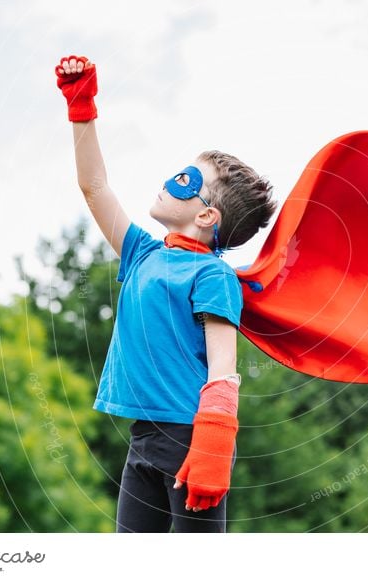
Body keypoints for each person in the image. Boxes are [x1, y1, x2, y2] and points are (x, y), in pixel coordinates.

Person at [54, 54, 278, 532]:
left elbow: (223, 366)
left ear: (205, 216)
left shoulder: (212, 276)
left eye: (187, 181)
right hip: (144, 438)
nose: (170, 181)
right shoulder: (142, 253)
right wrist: (82, 107)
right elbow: (94, 187)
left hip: (192, 440)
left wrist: (214, 445)